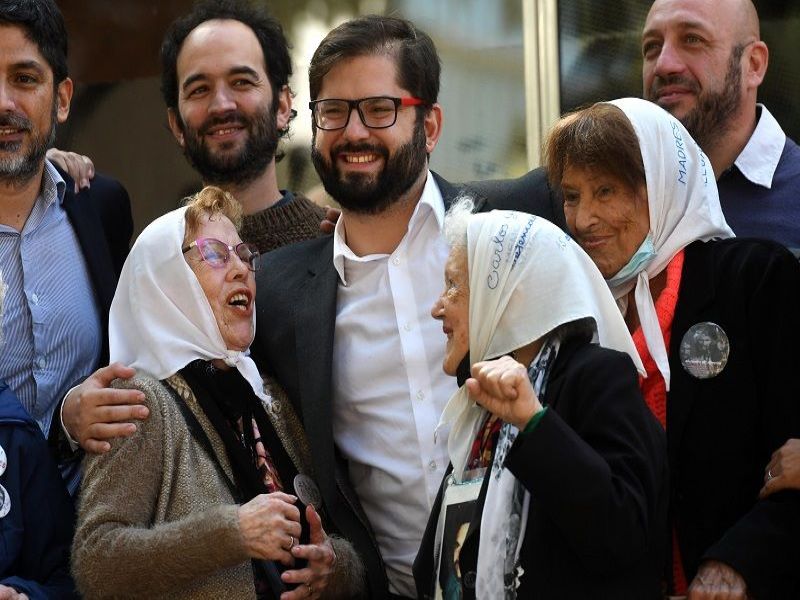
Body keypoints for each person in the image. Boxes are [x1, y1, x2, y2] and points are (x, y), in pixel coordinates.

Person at [251, 16, 546, 598]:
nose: (353, 132)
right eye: (333, 112)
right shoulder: (279, 292)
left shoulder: (516, 221)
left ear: (429, 124)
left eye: (380, 109)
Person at [545, 97, 800, 599]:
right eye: (572, 196)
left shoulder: (754, 280)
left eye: (606, 190)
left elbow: (794, 459)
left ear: (661, 186)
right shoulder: (576, 319)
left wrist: (738, 564)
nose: (584, 218)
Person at [71, 186, 363, 599]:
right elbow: (96, 564)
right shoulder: (137, 400)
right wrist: (232, 533)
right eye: (214, 254)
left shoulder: (267, 394)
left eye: (244, 255)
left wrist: (333, 566)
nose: (241, 269)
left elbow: (338, 541)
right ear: (165, 279)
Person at [413, 205, 666, 598]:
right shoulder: (480, 406)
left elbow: (622, 535)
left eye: (454, 286)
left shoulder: (596, 376)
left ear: (507, 294)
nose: (437, 307)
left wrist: (534, 421)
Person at [0, 0, 133, 494]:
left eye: (25, 78)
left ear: (61, 98)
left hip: (92, 535)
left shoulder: (100, 207)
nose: (4, 102)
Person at [161, 0, 328, 253]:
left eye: (241, 82)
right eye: (200, 89)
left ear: (282, 106)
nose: (221, 105)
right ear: (177, 125)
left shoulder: (335, 244)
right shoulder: (161, 257)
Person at [642, 0, 800, 250]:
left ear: (753, 64)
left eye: (692, 39)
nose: (663, 64)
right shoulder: (618, 192)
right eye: (652, 46)